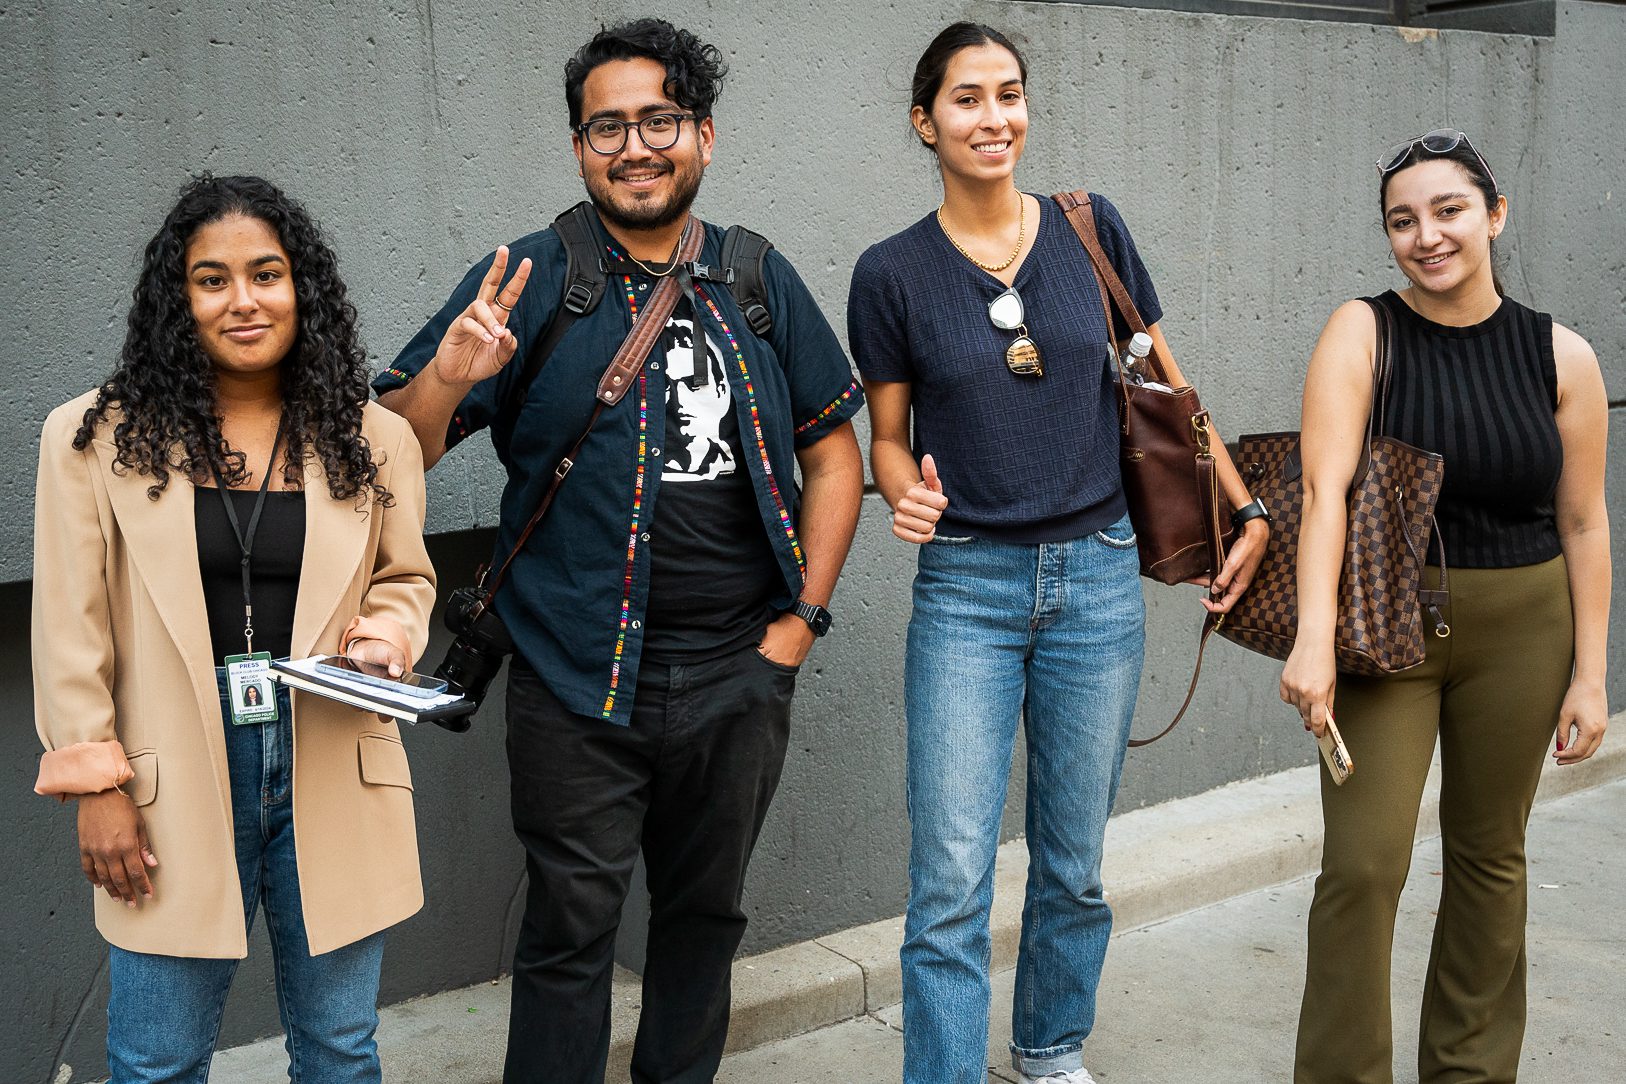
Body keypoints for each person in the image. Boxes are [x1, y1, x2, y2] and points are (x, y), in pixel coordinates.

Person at [376, 19, 865, 1083]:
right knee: (568, 934)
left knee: (703, 920)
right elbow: (397, 451)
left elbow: (836, 451)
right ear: (578, 144)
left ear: (704, 136)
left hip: (740, 669)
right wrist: (453, 374)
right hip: (572, 676)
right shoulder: (533, 276)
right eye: (609, 126)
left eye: (660, 121)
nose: (635, 146)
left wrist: (797, 626)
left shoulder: (755, 276)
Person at [846, 23, 1268, 1084]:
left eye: (1011, 94)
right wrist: (905, 495)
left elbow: (1170, 383)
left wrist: (1245, 507)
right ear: (923, 121)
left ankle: (1047, 1050)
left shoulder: (1091, 229)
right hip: (968, 589)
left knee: (1074, 863)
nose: (995, 118)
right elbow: (886, 439)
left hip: (1096, 577)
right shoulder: (891, 273)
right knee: (949, 875)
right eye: (968, 100)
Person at [30, 174, 436, 1083]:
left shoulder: (373, 438)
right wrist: (96, 781)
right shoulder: (90, 439)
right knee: (156, 1061)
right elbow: (69, 624)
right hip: (166, 773)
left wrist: (382, 638)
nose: (243, 300)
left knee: (339, 1052)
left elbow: (406, 579)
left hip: (334, 756)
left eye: (267, 273)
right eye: (211, 279)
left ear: (305, 288)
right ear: (179, 300)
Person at [1281, 130, 1609, 1083]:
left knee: (1490, 859)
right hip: (1386, 626)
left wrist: (1591, 675)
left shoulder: (1562, 354)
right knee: (1363, 867)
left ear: (1494, 216)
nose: (1427, 235)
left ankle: (1470, 1072)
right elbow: (1325, 492)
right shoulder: (1363, 330)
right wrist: (1312, 640)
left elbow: (1585, 524)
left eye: (1449, 210)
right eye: (1403, 220)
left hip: (1526, 625)